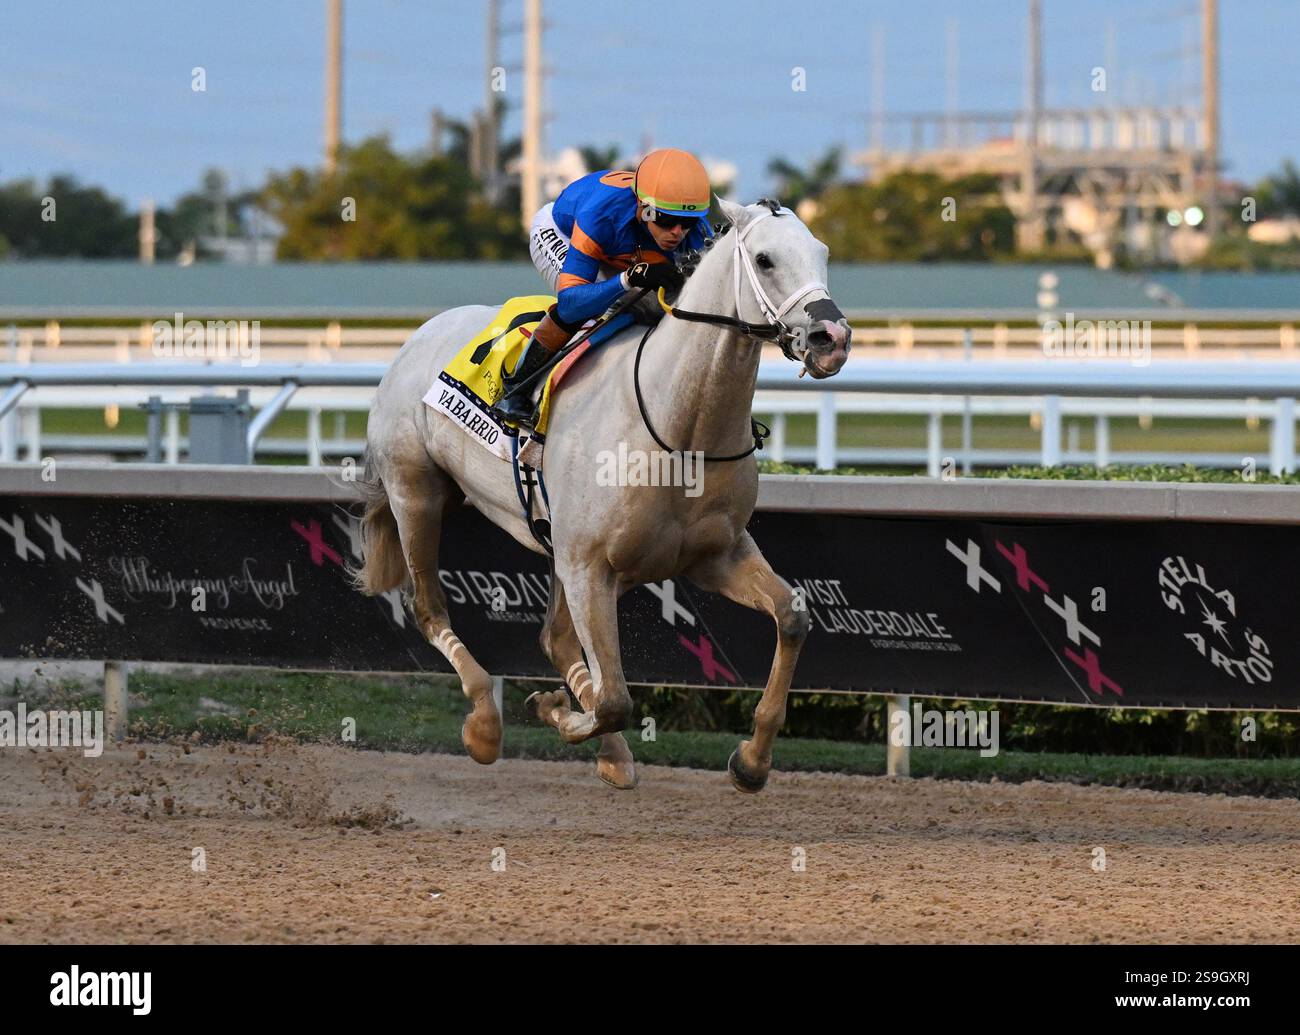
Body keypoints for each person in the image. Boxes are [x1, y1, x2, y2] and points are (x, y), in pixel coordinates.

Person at [494, 147, 713, 427]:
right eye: (666, 220)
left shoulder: (694, 231)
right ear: (643, 209)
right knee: (603, 306)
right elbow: (571, 302)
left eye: (688, 223)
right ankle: (515, 390)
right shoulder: (600, 214)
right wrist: (628, 279)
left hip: (622, 250)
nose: (677, 232)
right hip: (561, 232)